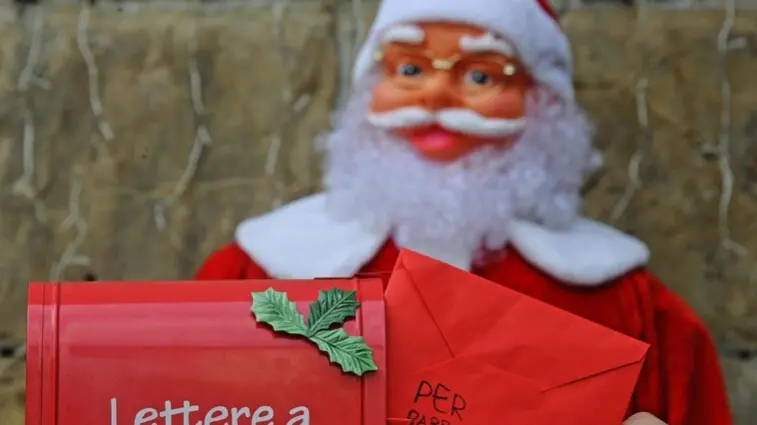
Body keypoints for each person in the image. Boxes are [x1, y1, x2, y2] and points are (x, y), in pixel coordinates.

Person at [195, 1, 733, 424]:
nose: (436, 95)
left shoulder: (632, 305)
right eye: (410, 68)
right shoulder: (256, 269)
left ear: (541, 104)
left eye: (480, 76)